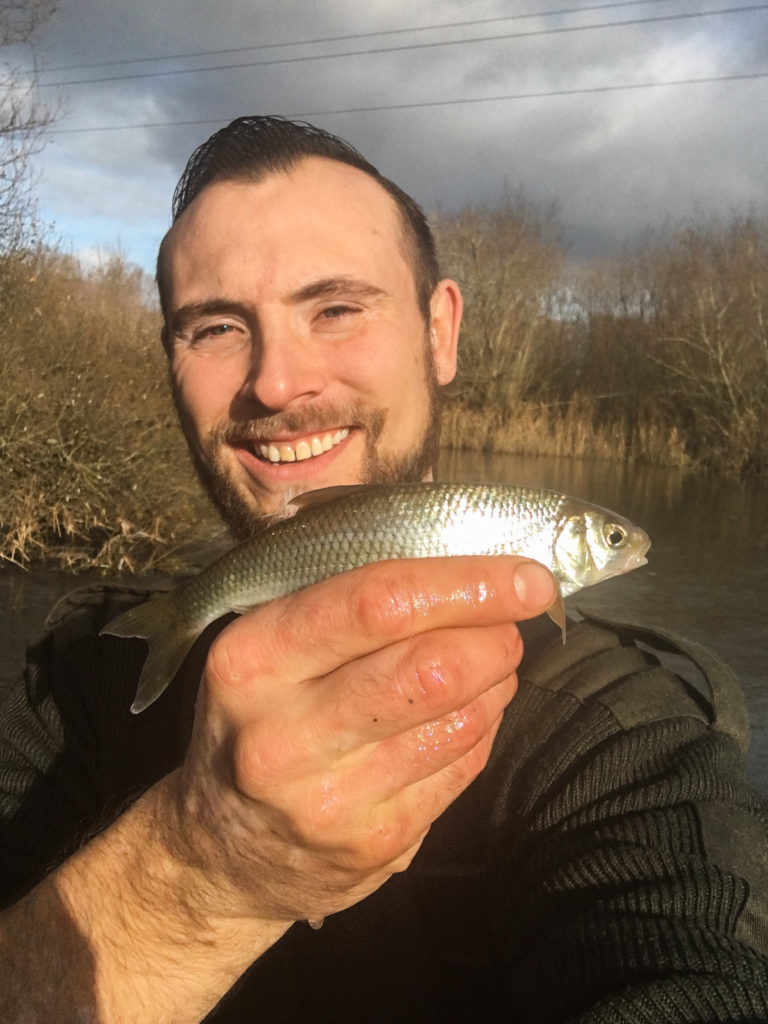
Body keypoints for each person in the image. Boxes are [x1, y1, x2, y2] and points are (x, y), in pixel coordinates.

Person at [1, 116, 767, 1023]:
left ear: (442, 331)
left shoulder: (624, 736)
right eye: (213, 326)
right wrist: (199, 868)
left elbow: (685, 959)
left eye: (335, 308)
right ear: (169, 357)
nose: (278, 383)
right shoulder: (77, 679)